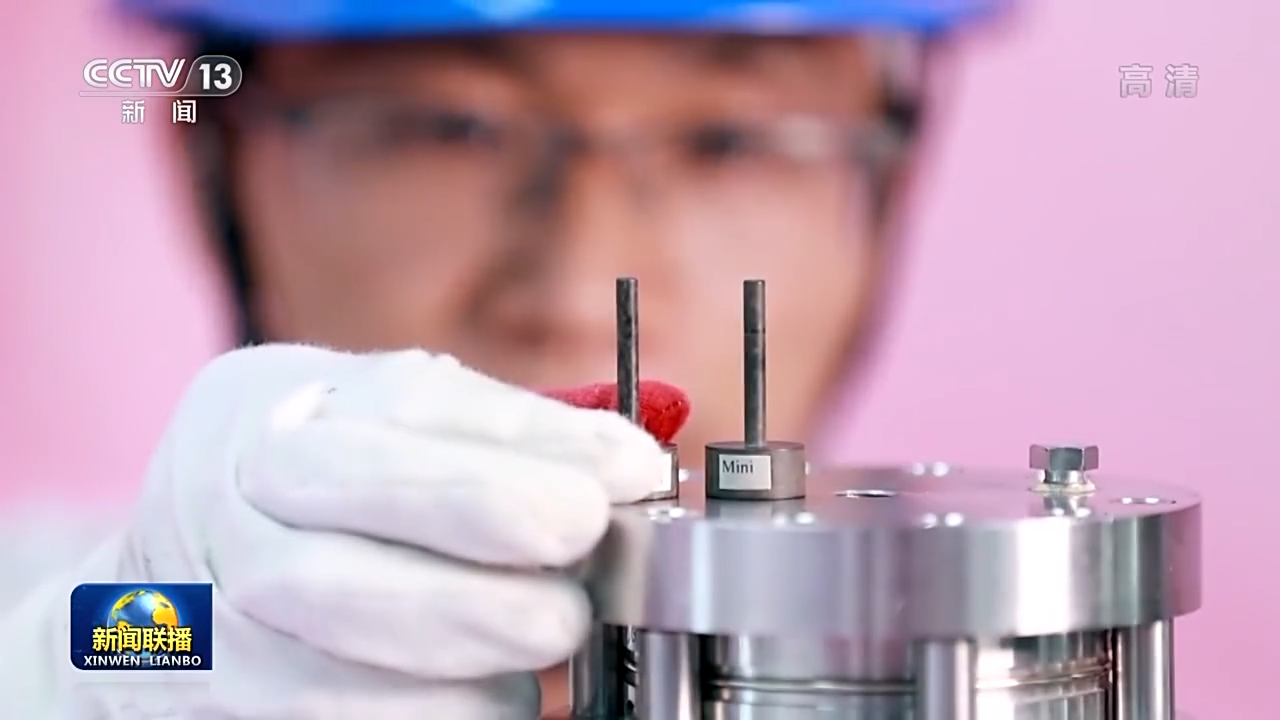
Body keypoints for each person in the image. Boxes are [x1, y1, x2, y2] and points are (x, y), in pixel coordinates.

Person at [1, 0, 1005, 716]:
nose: (578, 289)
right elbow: (99, 644)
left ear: (895, 178)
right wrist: (122, 666)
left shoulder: (1017, 672)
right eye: (448, 128)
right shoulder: (80, 628)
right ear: (212, 158)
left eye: (731, 140)